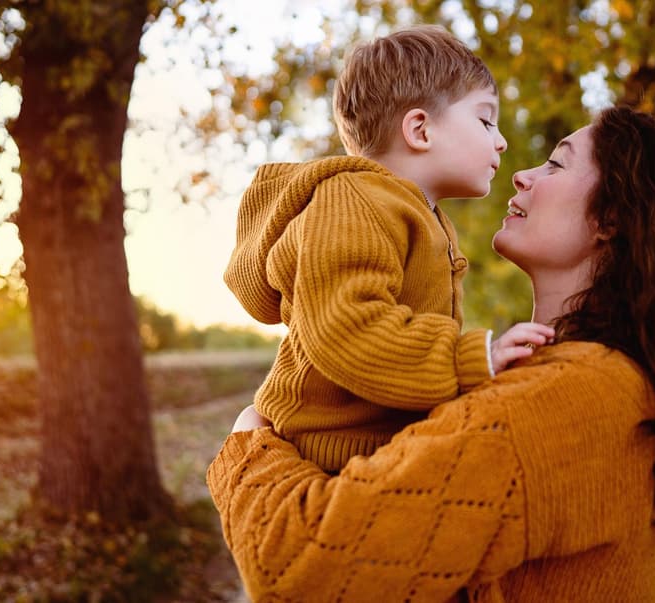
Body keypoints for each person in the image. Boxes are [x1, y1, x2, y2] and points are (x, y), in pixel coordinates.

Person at [209, 106, 655, 602]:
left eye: (556, 163)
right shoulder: (603, 383)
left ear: (613, 218)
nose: (520, 174)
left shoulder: (564, 400)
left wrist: (247, 443)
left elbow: (301, 571)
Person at [224, 25, 554, 473]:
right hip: (329, 456)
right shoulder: (354, 201)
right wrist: (472, 359)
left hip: (381, 453)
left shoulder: (415, 213)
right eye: (484, 119)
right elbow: (347, 327)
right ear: (420, 129)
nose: (501, 140)